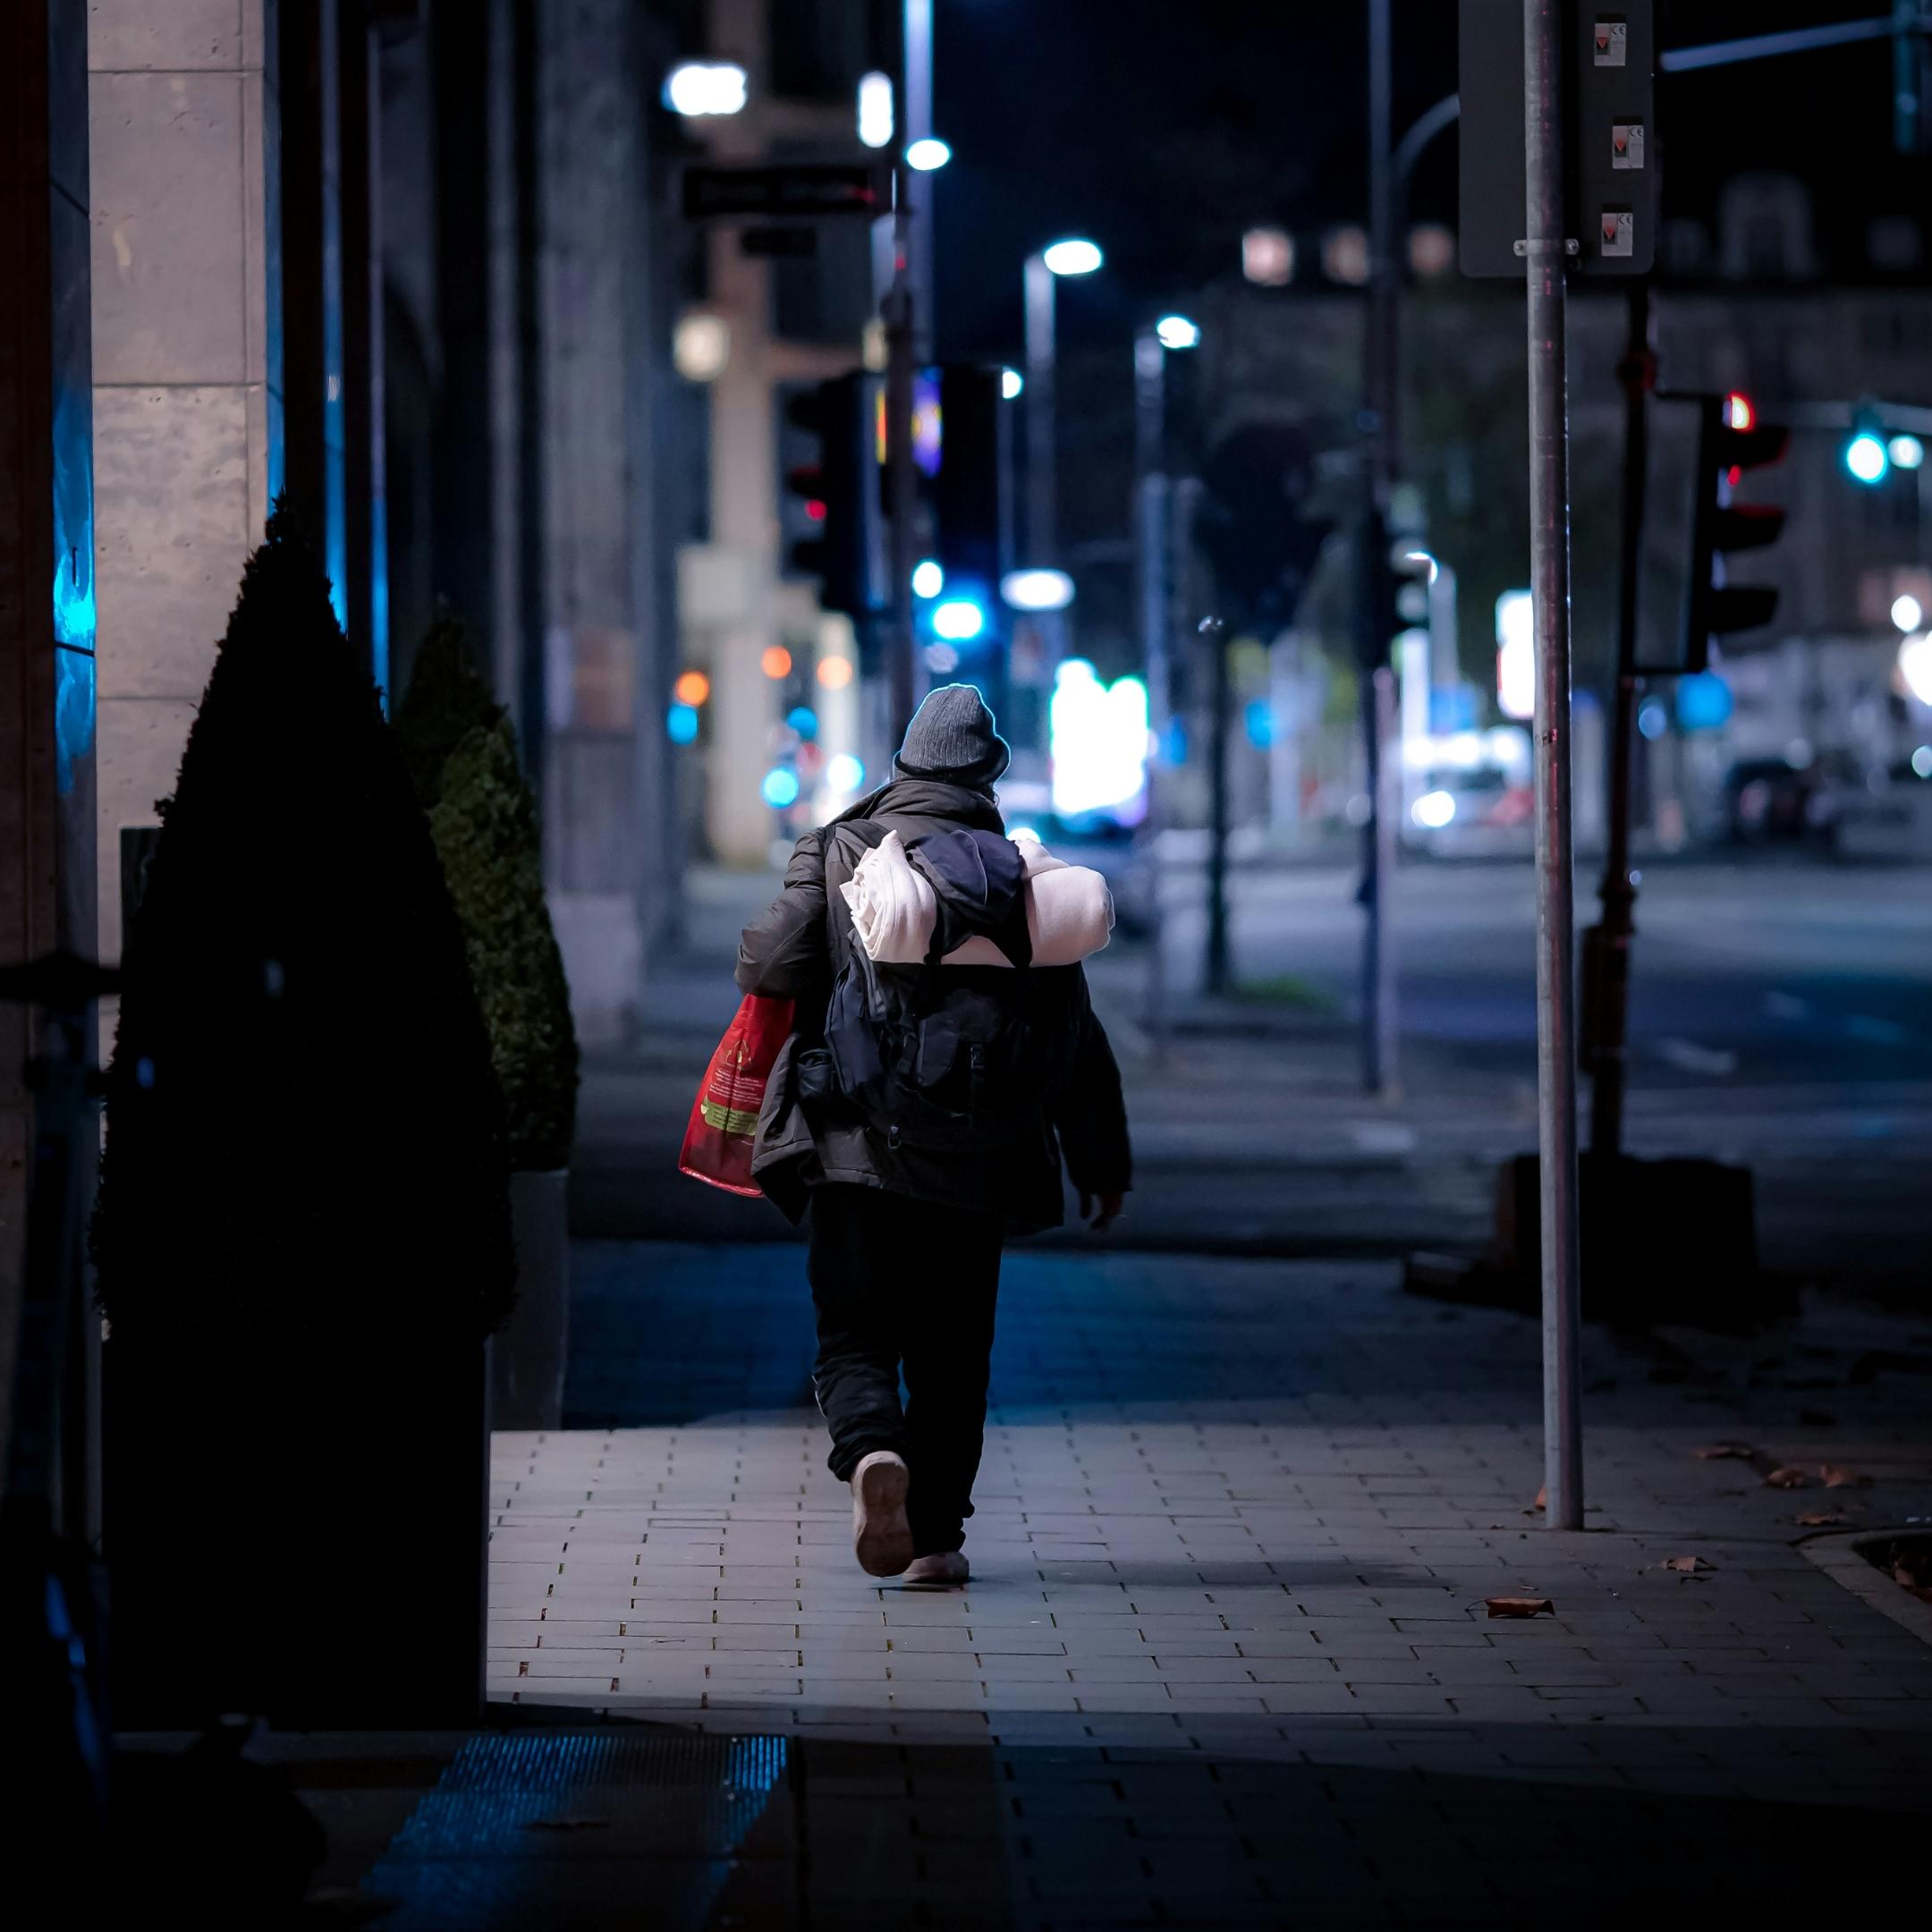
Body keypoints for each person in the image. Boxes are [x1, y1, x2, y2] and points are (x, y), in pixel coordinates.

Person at [735, 685, 1131, 1586]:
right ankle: (936, 1539)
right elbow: (1076, 1033)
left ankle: (873, 1448)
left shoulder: (842, 849)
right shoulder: (1023, 878)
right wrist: (1102, 1162)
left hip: (856, 1143)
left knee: (855, 1326)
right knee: (956, 1351)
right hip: (982, 1156)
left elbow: (767, 962)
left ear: (903, 765)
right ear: (988, 775)